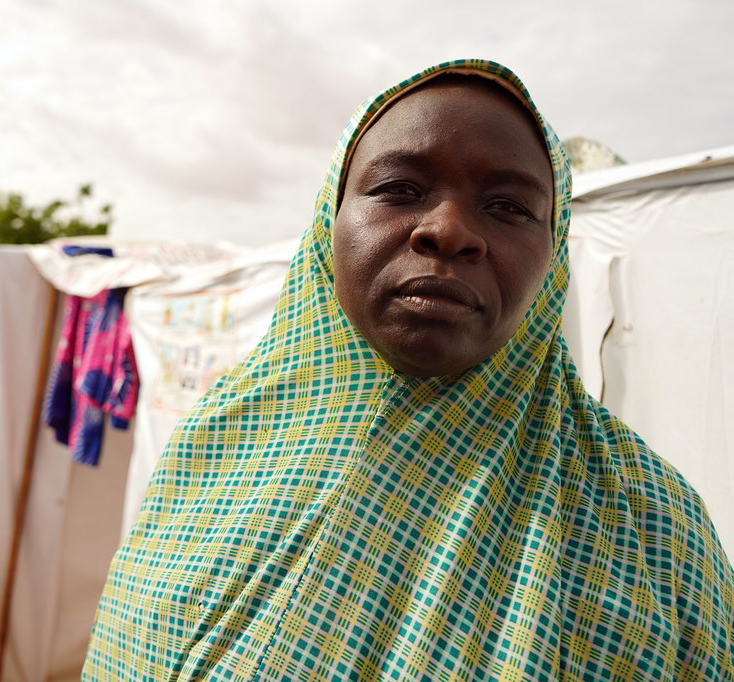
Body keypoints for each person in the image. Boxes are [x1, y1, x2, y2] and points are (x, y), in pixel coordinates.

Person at [82, 60, 734, 680]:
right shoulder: (222, 438)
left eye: (508, 206)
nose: (449, 231)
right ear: (327, 226)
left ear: (554, 253)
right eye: (398, 189)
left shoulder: (651, 533)